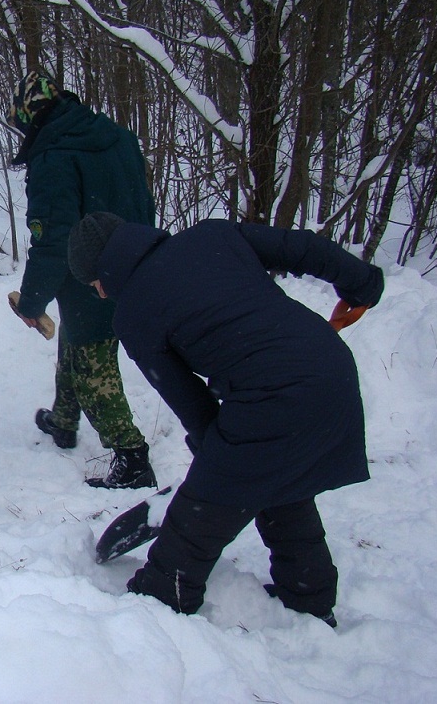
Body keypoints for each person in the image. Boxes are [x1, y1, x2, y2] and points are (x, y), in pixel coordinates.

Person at [67, 212, 385, 626]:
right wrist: (362, 282)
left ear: (104, 273)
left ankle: (157, 603)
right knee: (275, 476)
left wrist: (212, 465)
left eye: (94, 285)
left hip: (274, 394)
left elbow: (192, 405)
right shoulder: (211, 235)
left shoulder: (134, 314)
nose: (100, 294)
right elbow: (302, 248)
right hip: (330, 367)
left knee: (201, 514)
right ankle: (308, 596)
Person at [6, 70, 156, 489]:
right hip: (135, 256)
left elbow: (53, 238)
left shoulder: (54, 155)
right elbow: (145, 201)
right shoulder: (116, 135)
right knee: (74, 337)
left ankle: (132, 458)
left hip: (91, 273)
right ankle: (64, 420)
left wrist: (32, 301)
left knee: (94, 364)